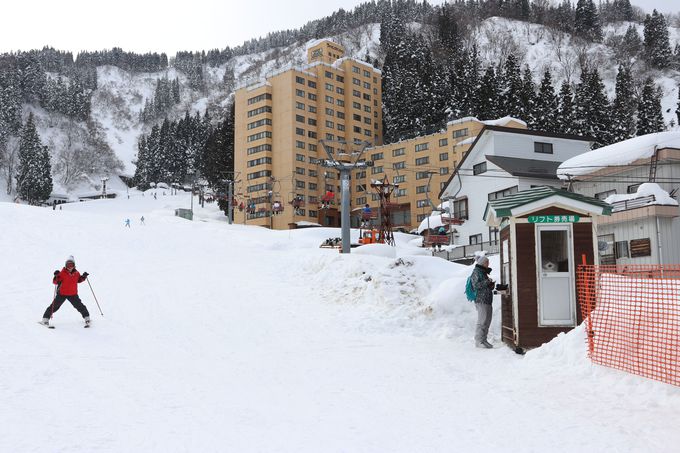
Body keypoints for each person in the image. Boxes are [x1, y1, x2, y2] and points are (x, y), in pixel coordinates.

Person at [40, 256, 90, 327]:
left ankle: (87, 317)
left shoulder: (76, 273)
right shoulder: (62, 273)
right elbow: (55, 282)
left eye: (71, 265)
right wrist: (56, 276)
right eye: (68, 265)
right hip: (62, 294)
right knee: (54, 306)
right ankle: (45, 319)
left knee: (80, 306)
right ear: (65, 265)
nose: (70, 267)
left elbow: (78, 280)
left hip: (73, 294)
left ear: (74, 265)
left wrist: (84, 277)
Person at [470, 255, 495, 349]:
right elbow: (476, 285)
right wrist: (487, 282)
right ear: (482, 263)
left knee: (487, 321)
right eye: (486, 262)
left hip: (487, 300)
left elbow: (484, 285)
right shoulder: (476, 272)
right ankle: (478, 340)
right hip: (481, 300)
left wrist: (491, 285)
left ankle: (484, 340)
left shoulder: (483, 272)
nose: (488, 264)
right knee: (482, 321)